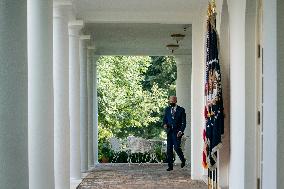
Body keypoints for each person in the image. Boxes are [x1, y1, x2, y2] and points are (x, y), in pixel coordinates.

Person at [163, 96, 186, 171]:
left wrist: (181, 131)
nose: (171, 102)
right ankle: (170, 166)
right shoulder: (167, 109)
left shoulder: (181, 110)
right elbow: (164, 120)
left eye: (173, 101)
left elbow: (184, 123)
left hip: (177, 132)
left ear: (176, 101)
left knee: (176, 147)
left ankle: (183, 160)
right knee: (169, 149)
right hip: (169, 132)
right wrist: (165, 125)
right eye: (170, 101)